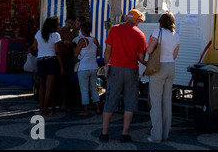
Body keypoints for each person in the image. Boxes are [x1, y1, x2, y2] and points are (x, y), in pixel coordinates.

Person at [99, 9, 147, 143]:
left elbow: (107, 51)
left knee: (110, 99)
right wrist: (151, 64)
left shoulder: (114, 29)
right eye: (139, 21)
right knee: (130, 102)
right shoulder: (140, 35)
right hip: (131, 70)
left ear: (127, 18)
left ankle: (104, 133)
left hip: (115, 69)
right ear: (137, 20)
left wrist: (106, 65)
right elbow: (141, 58)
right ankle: (124, 134)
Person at [146, 12, 180, 143]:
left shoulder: (157, 32)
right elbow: (175, 55)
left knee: (155, 103)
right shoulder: (176, 35)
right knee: (167, 102)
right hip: (171, 67)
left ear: (161, 21)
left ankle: (156, 136)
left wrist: (151, 42)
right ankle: (165, 134)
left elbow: (149, 50)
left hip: (158, 67)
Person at [32, 16, 63, 116]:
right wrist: (61, 66)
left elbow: (34, 48)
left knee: (42, 86)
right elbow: (57, 51)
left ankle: (41, 108)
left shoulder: (39, 33)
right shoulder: (55, 35)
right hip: (51, 60)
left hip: (40, 60)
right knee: (49, 86)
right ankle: (45, 109)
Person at [74, 21, 102, 115]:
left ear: (82, 31)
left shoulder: (82, 41)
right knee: (94, 88)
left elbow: (75, 54)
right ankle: (98, 108)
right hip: (94, 67)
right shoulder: (95, 40)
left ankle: (85, 110)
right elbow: (99, 53)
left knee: (84, 90)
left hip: (84, 68)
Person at [57, 16, 78, 111]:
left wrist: (72, 44)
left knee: (66, 82)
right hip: (58, 58)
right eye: (69, 23)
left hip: (68, 59)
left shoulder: (74, 33)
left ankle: (64, 103)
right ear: (65, 22)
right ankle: (55, 103)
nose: (70, 25)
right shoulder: (59, 32)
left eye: (72, 24)